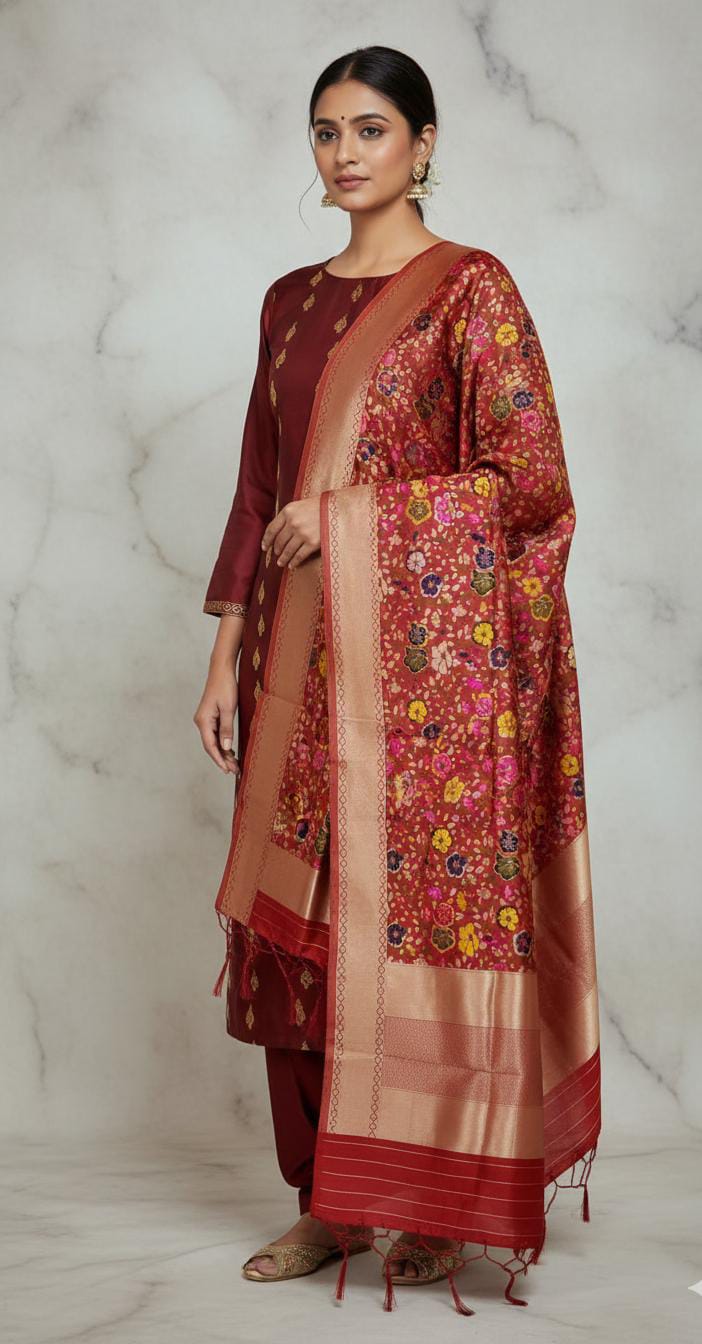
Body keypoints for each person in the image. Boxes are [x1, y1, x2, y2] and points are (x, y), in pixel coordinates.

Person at [193, 45, 601, 1318]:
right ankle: (325, 1200)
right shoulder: (285, 301)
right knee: (292, 939)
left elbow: (527, 490)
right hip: (290, 660)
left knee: (409, 928)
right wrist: (221, 654)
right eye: (325, 131)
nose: (345, 152)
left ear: (423, 143)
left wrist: (358, 518)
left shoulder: (471, 292)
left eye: (371, 128)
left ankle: (425, 1207)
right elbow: (260, 492)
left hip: (422, 692)